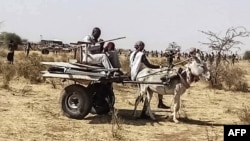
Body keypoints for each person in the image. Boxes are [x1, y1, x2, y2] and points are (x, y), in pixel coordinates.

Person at [130, 41, 170, 109]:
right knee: (160, 78)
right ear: (140, 46)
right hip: (142, 73)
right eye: (142, 46)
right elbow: (148, 65)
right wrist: (159, 67)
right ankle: (160, 102)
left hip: (134, 73)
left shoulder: (132, 54)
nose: (143, 48)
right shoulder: (141, 54)